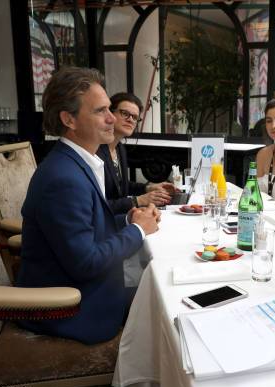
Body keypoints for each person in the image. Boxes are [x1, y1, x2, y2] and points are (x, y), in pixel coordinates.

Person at [17, 67, 160, 344]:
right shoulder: (62, 178)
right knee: (167, 312)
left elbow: (87, 229)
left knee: (160, 291)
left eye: (110, 109)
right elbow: (86, 263)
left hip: (90, 290)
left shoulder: (76, 162)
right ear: (68, 119)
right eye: (100, 111)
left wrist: (129, 221)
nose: (111, 119)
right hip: (72, 311)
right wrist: (138, 232)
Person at [96, 92, 174, 214]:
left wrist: (148, 188)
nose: (130, 120)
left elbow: (120, 185)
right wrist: (138, 201)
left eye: (135, 117)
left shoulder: (119, 148)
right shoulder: (95, 151)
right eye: (125, 113)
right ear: (110, 113)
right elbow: (99, 206)